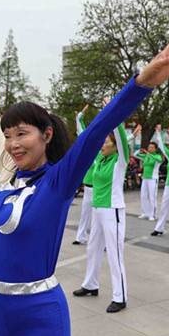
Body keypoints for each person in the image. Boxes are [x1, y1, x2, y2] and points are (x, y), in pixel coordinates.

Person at [0, 35, 169, 336]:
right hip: (0, 316)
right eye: (9, 136)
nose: (12, 144)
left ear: (46, 135)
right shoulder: (8, 172)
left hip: (41, 318)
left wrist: (142, 83)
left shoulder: (56, 182)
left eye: (22, 134)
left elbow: (95, 131)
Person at [73, 99, 130, 313]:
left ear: (115, 146)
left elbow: (123, 139)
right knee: (92, 247)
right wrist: (79, 122)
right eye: (103, 142)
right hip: (97, 209)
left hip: (112, 210)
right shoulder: (100, 160)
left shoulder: (119, 160)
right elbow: (85, 139)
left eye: (107, 141)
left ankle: (120, 296)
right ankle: (90, 284)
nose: (103, 144)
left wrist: (113, 112)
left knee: (114, 254)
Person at [73, 104, 94, 245]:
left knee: (100, 217)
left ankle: (103, 242)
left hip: (101, 189)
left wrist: (131, 136)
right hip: (88, 188)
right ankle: (80, 236)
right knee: (85, 214)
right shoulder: (89, 149)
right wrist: (79, 118)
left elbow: (119, 141)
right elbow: (82, 133)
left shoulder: (102, 154)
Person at [134, 132, 163, 221]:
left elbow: (158, 160)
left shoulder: (157, 157)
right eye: (149, 147)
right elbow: (135, 155)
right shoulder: (146, 157)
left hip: (153, 179)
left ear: (155, 149)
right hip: (145, 178)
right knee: (143, 196)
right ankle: (144, 213)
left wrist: (148, 154)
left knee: (152, 196)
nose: (149, 149)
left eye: (151, 147)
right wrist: (140, 150)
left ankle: (153, 215)